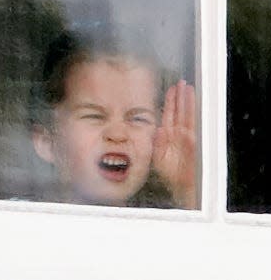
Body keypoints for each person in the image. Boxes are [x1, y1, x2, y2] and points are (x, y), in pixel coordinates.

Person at [29, 28, 196, 208]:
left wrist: (185, 189)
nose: (117, 134)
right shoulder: (20, 223)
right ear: (47, 141)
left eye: (138, 119)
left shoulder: (155, 229)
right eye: (94, 116)